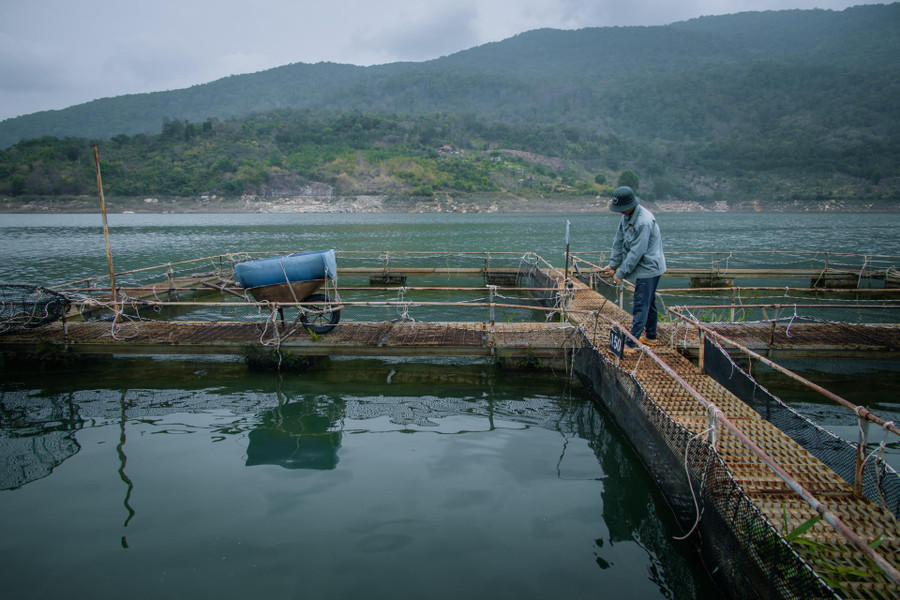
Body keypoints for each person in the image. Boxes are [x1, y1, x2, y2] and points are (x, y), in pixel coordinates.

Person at [599, 186, 667, 354]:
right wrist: (613, 264)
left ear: (630, 204)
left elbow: (637, 252)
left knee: (641, 304)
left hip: (649, 268)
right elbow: (619, 241)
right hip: (642, 266)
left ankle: (631, 343)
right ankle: (650, 336)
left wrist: (620, 273)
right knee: (648, 302)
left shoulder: (643, 221)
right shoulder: (627, 216)